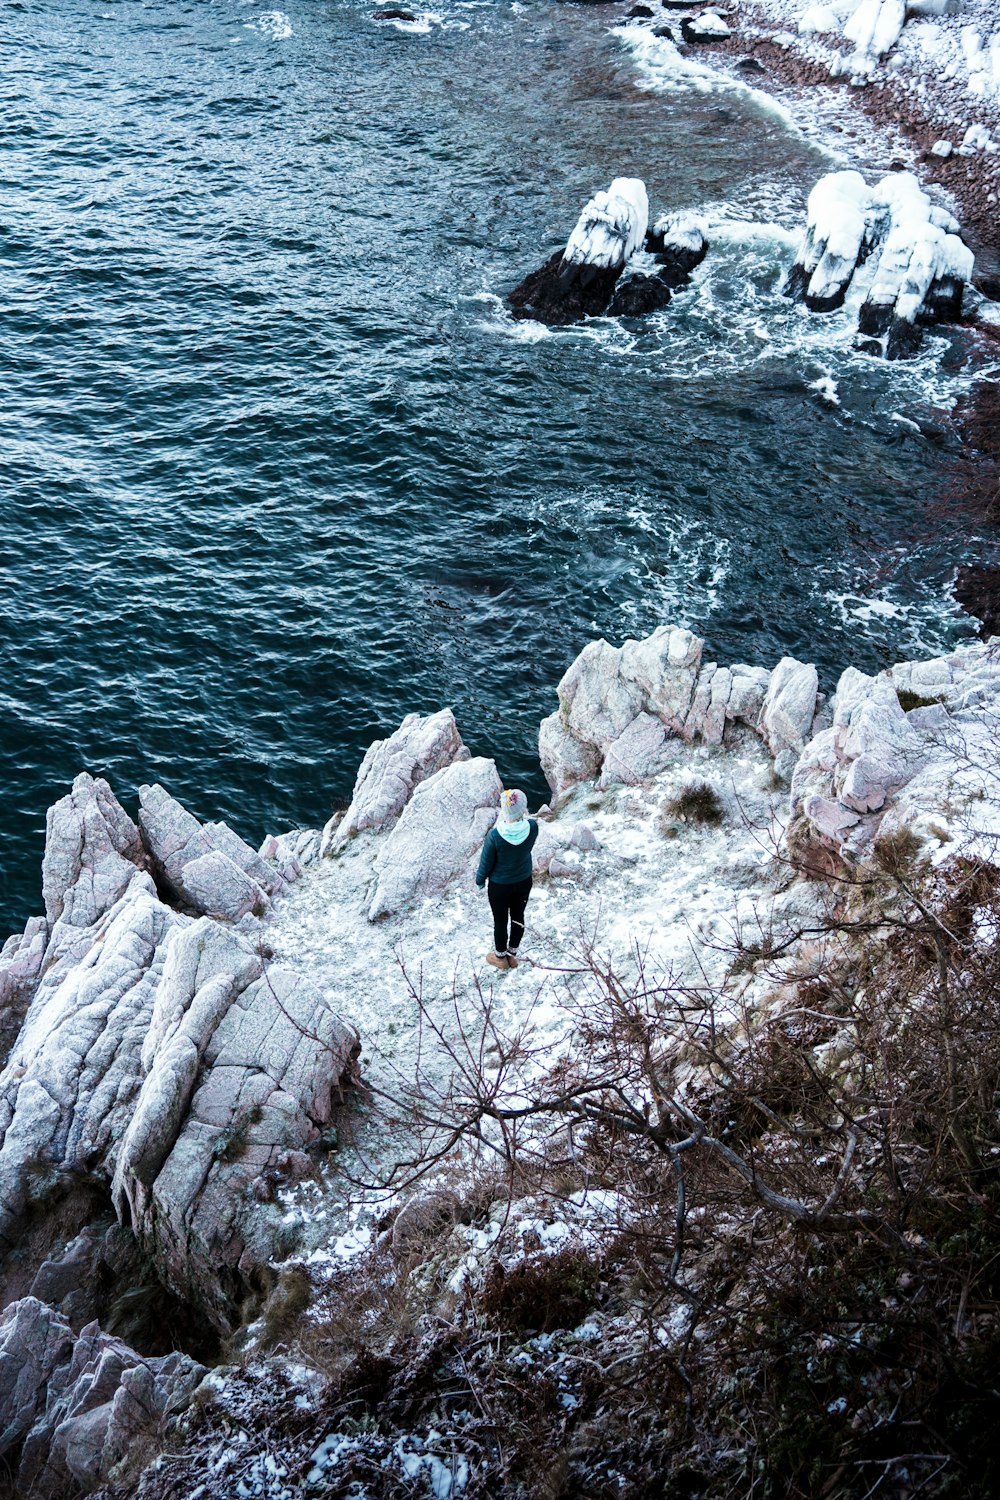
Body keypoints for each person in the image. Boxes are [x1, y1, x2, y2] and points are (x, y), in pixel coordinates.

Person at [475, 788, 539, 970]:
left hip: (500, 886)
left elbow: (486, 863)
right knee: (518, 917)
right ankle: (512, 954)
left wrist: (480, 880)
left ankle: (500, 957)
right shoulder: (533, 827)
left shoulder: (495, 835)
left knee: (500, 920)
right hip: (523, 881)